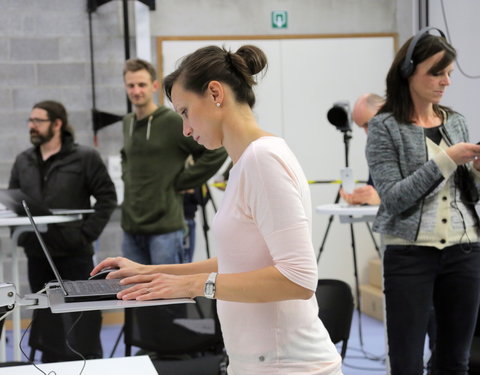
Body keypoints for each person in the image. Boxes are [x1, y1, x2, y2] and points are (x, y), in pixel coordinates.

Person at [93, 45, 343, 374]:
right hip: (260, 361)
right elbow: (240, 259)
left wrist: (197, 285)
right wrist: (153, 272)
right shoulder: (245, 163)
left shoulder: (262, 159)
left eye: (184, 112)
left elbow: (298, 279)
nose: (184, 128)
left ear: (214, 93)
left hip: (289, 364)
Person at [366, 29, 480, 374]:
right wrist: (447, 159)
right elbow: (395, 197)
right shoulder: (385, 127)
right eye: (436, 72)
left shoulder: (455, 121)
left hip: (465, 251)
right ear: (408, 71)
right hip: (409, 255)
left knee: (455, 361)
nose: (445, 82)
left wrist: (475, 172)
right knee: (406, 362)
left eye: (448, 74)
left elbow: (468, 195)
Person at [9, 100, 117, 362]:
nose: (32, 126)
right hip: (38, 255)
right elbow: (14, 201)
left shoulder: (84, 157)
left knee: (85, 316)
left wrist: (84, 235)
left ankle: (89, 363)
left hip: (75, 253)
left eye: (38, 121)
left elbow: (107, 197)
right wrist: (22, 236)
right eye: (30, 121)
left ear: (57, 124)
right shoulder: (23, 160)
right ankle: (51, 364)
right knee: (46, 316)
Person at [121, 58, 227, 265]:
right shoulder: (128, 122)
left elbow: (216, 150)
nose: (136, 91)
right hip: (131, 229)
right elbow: (126, 154)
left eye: (141, 84)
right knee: (131, 293)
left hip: (166, 229)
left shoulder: (171, 121)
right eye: (131, 85)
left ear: (153, 86)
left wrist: (183, 181)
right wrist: (127, 174)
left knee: (169, 295)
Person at [339, 93, 383, 205]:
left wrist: (380, 200)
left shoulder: (413, 138)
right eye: (362, 127)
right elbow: (374, 188)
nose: (367, 132)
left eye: (368, 124)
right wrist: (363, 198)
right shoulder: (374, 147)